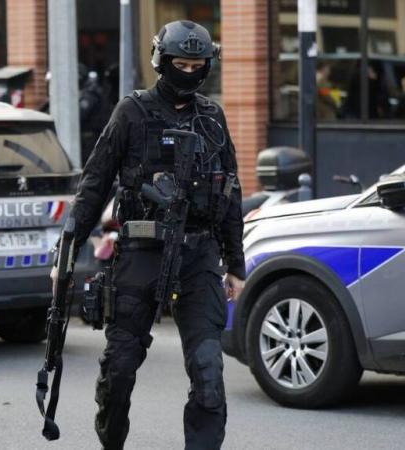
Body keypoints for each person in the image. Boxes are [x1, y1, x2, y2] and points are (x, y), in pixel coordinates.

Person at [49, 19, 246, 450]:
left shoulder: (213, 118)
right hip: (141, 251)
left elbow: (230, 192)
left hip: (198, 257)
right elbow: (95, 182)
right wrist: (66, 250)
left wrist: (236, 265)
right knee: (119, 370)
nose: (190, 72)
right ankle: (111, 441)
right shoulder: (131, 113)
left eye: (198, 65)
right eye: (181, 63)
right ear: (161, 61)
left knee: (209, 373)